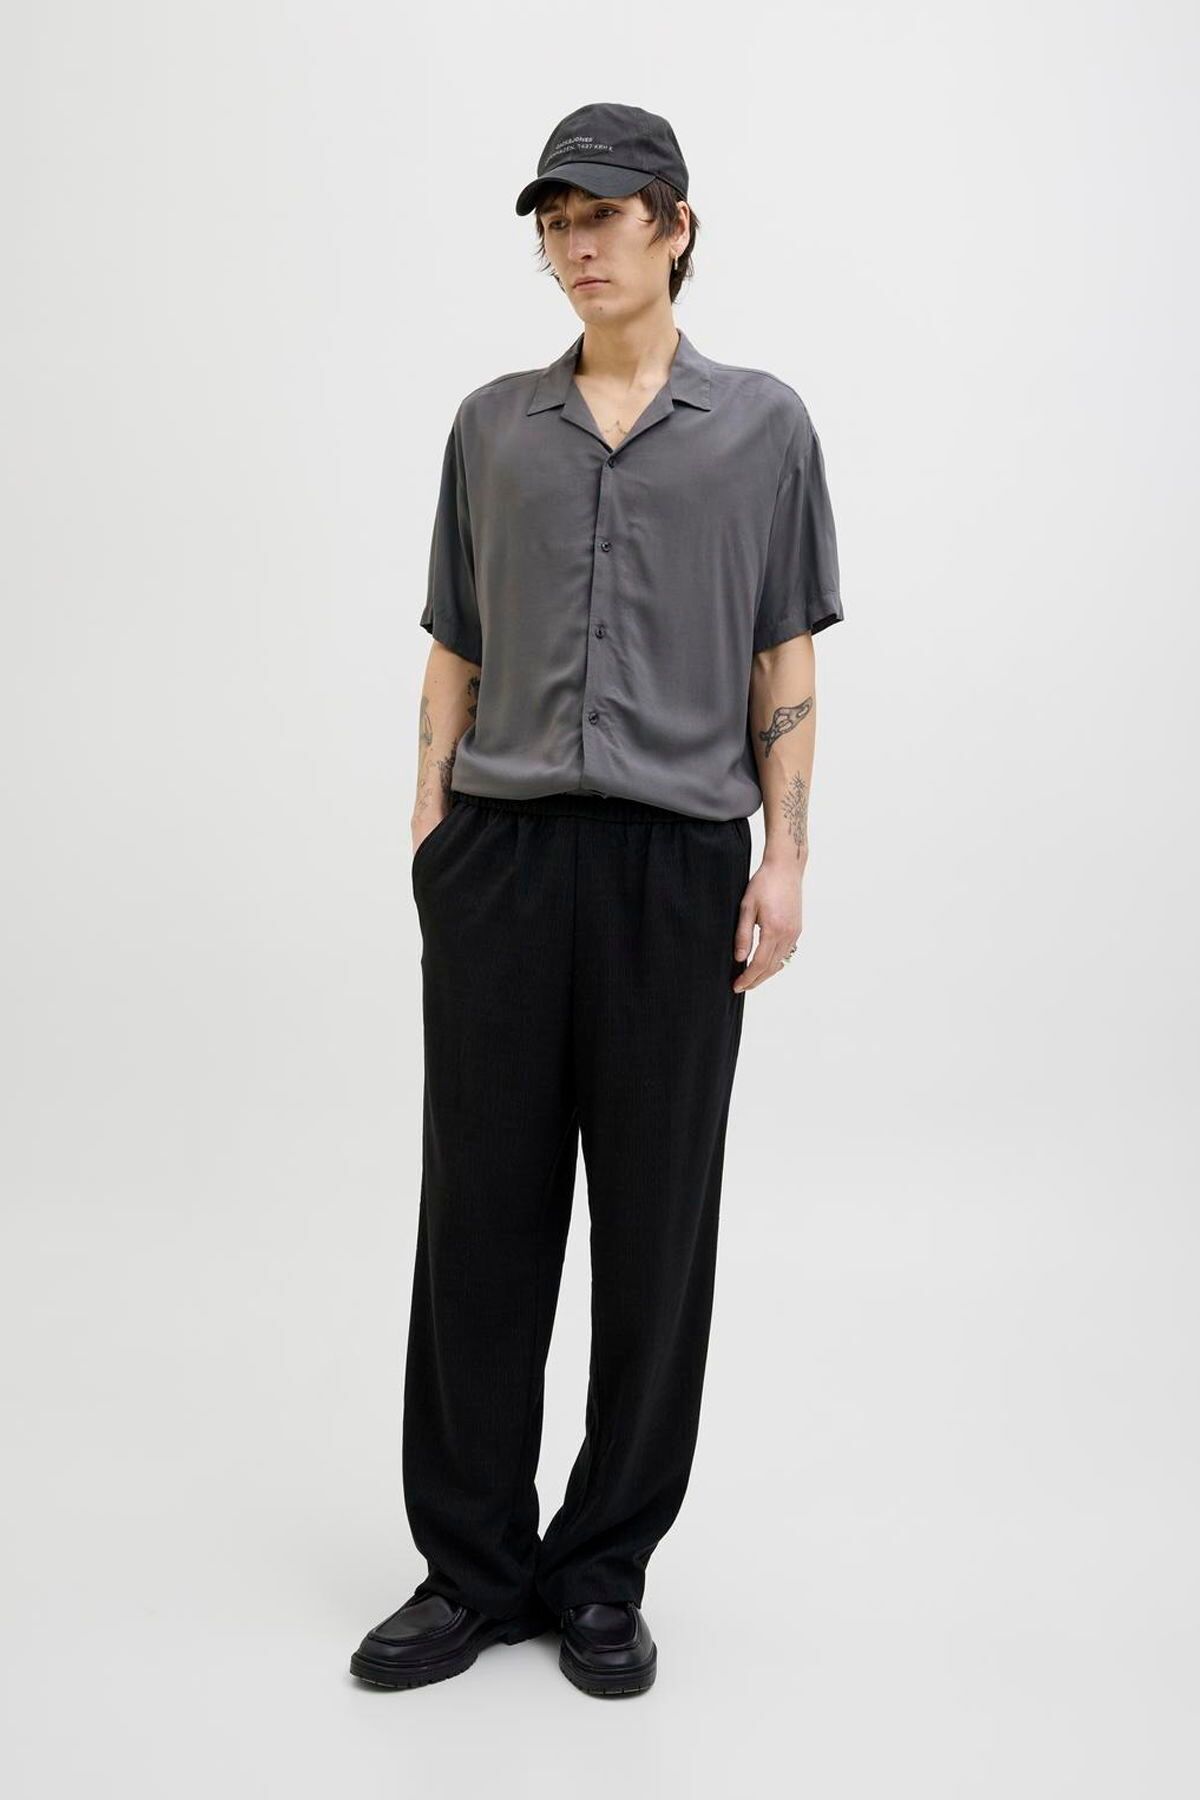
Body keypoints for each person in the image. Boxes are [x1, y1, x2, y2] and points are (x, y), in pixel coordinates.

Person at [350, 101, 844, 1699]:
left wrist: (786, 856)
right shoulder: (492, 427)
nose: (575, 243)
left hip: (673, 871)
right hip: (500, 864)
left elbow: (784, 650)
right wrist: (430, 824)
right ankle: (471, 1568)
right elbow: (456, 637)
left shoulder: (764, 428)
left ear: (675, 224)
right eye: (554, 219)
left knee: (653, 1232)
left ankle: (604, 1568)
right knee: (479, 1223)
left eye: (605, 213)